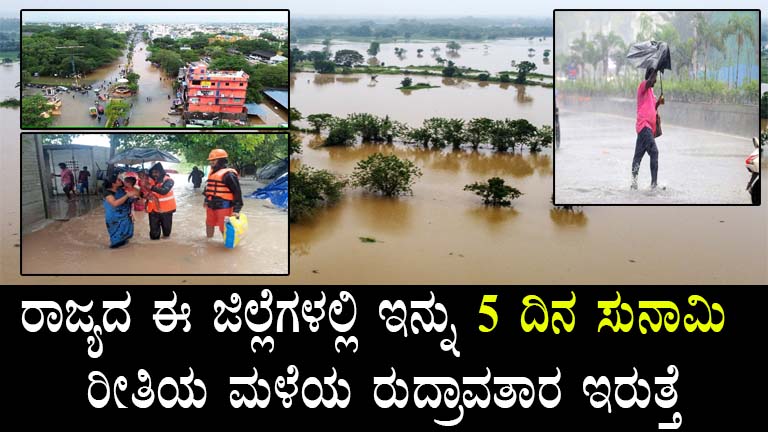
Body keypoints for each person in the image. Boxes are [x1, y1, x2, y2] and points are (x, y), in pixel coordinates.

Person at [632, 67, 665, 190]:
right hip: (644, 126)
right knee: (654, 152)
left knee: (638, 157)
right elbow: (650, 82)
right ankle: (654, 185)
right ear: (650, 76)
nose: (656, 80)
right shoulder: (643, 87)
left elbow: (652, 108)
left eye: (656, 77)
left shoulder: (651, 93)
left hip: (646, 129)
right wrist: (656, 69)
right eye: (655, 77)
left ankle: (633, 184)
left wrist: (658, 103)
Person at [203, 149, 243, 239]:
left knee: (224, 228)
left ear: (221, 160)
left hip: (224, 206)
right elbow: (208, 188)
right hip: (211, 205)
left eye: (214, 160)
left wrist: (236, 210)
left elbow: (237, 192)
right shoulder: (212, 173)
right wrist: (206, 200)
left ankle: (227, 248)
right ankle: (209, 242)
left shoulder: (229, 174)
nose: (211, 162)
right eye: (210, 160)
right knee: (209, 224)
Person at [103, 176, 139, 248]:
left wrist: (133, 190)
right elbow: (115, 203)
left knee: (125, 240)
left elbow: (133, 197)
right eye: (118, 180)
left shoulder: (121, 190)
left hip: (126, 217)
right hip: (115, 219)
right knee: (116, 242)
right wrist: (127, 195)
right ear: (113, 183)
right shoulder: (108, 193)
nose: (121, 181)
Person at [146, 162, 176, 240]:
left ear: (161, 172)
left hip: (166, 210)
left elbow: (164, 191)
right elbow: (144, 193)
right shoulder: (149, 181)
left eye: (156, 172)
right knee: (154, 235)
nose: (154, 174)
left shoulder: (169, 181)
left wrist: (151, 187)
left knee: (166, 233)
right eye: (152, 172)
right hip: (153, 210)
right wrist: (146, 195)